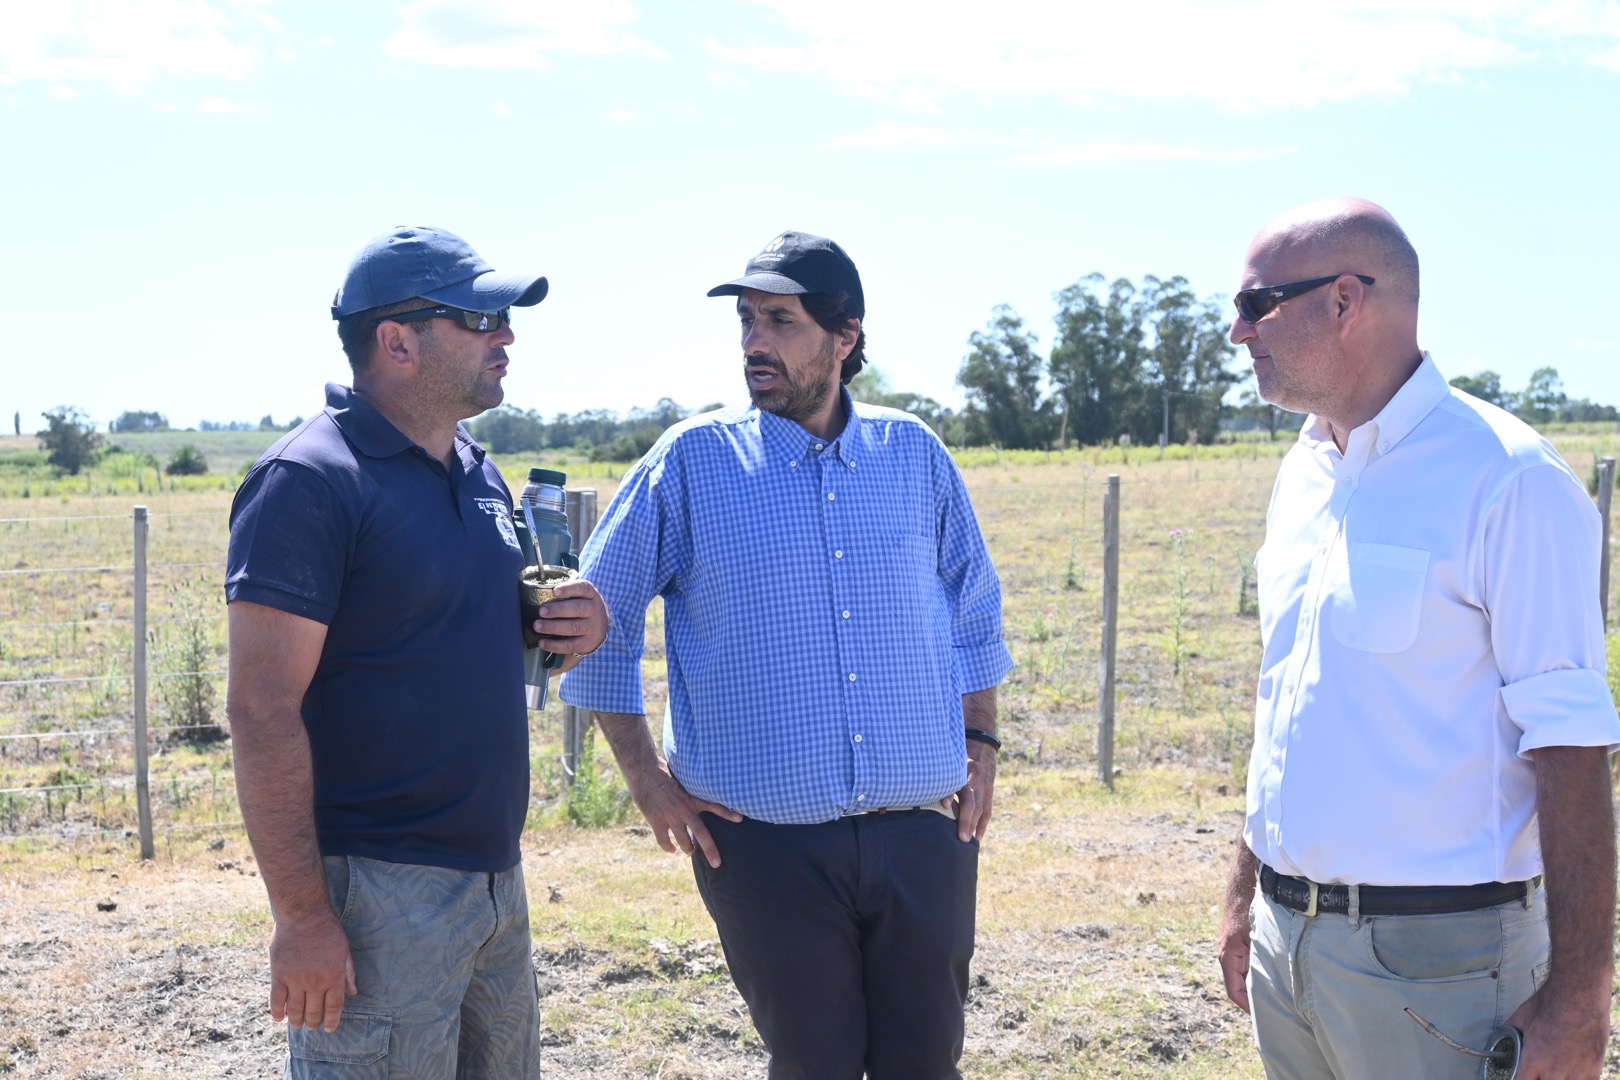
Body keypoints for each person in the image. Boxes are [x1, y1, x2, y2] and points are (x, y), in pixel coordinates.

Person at [560, 230, 1014, 1078]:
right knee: (816, 1065)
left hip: (924, 838)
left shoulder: (914, 454)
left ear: (845, 339)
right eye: (745, 322)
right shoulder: (692, 462)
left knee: (928, 1067)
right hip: (765, 851)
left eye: (780, 321)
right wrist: (645, 777)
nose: (754, 344)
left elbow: (974, 613)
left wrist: (981, 741)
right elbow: (595, 618)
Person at [1215, 198, 1620, 1079]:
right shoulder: (1304, 473)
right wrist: (1248, 897)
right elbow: (1289, 700)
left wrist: (1583, 999)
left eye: (1255, 305)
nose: (1238, 333)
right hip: (1291, 953)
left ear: (1346, 300)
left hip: (1443, 968)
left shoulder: (1510, 481)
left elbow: (1573, 746)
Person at [224, 225, 608, 1078]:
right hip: (374, 895)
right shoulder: (309, 481)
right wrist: (303, 916)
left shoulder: (478, 471)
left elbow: (464, 636)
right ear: (396, 340)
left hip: (494, 882)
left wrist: (575, 629)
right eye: (481, 318)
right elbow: (260, 709)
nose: (505, 334)